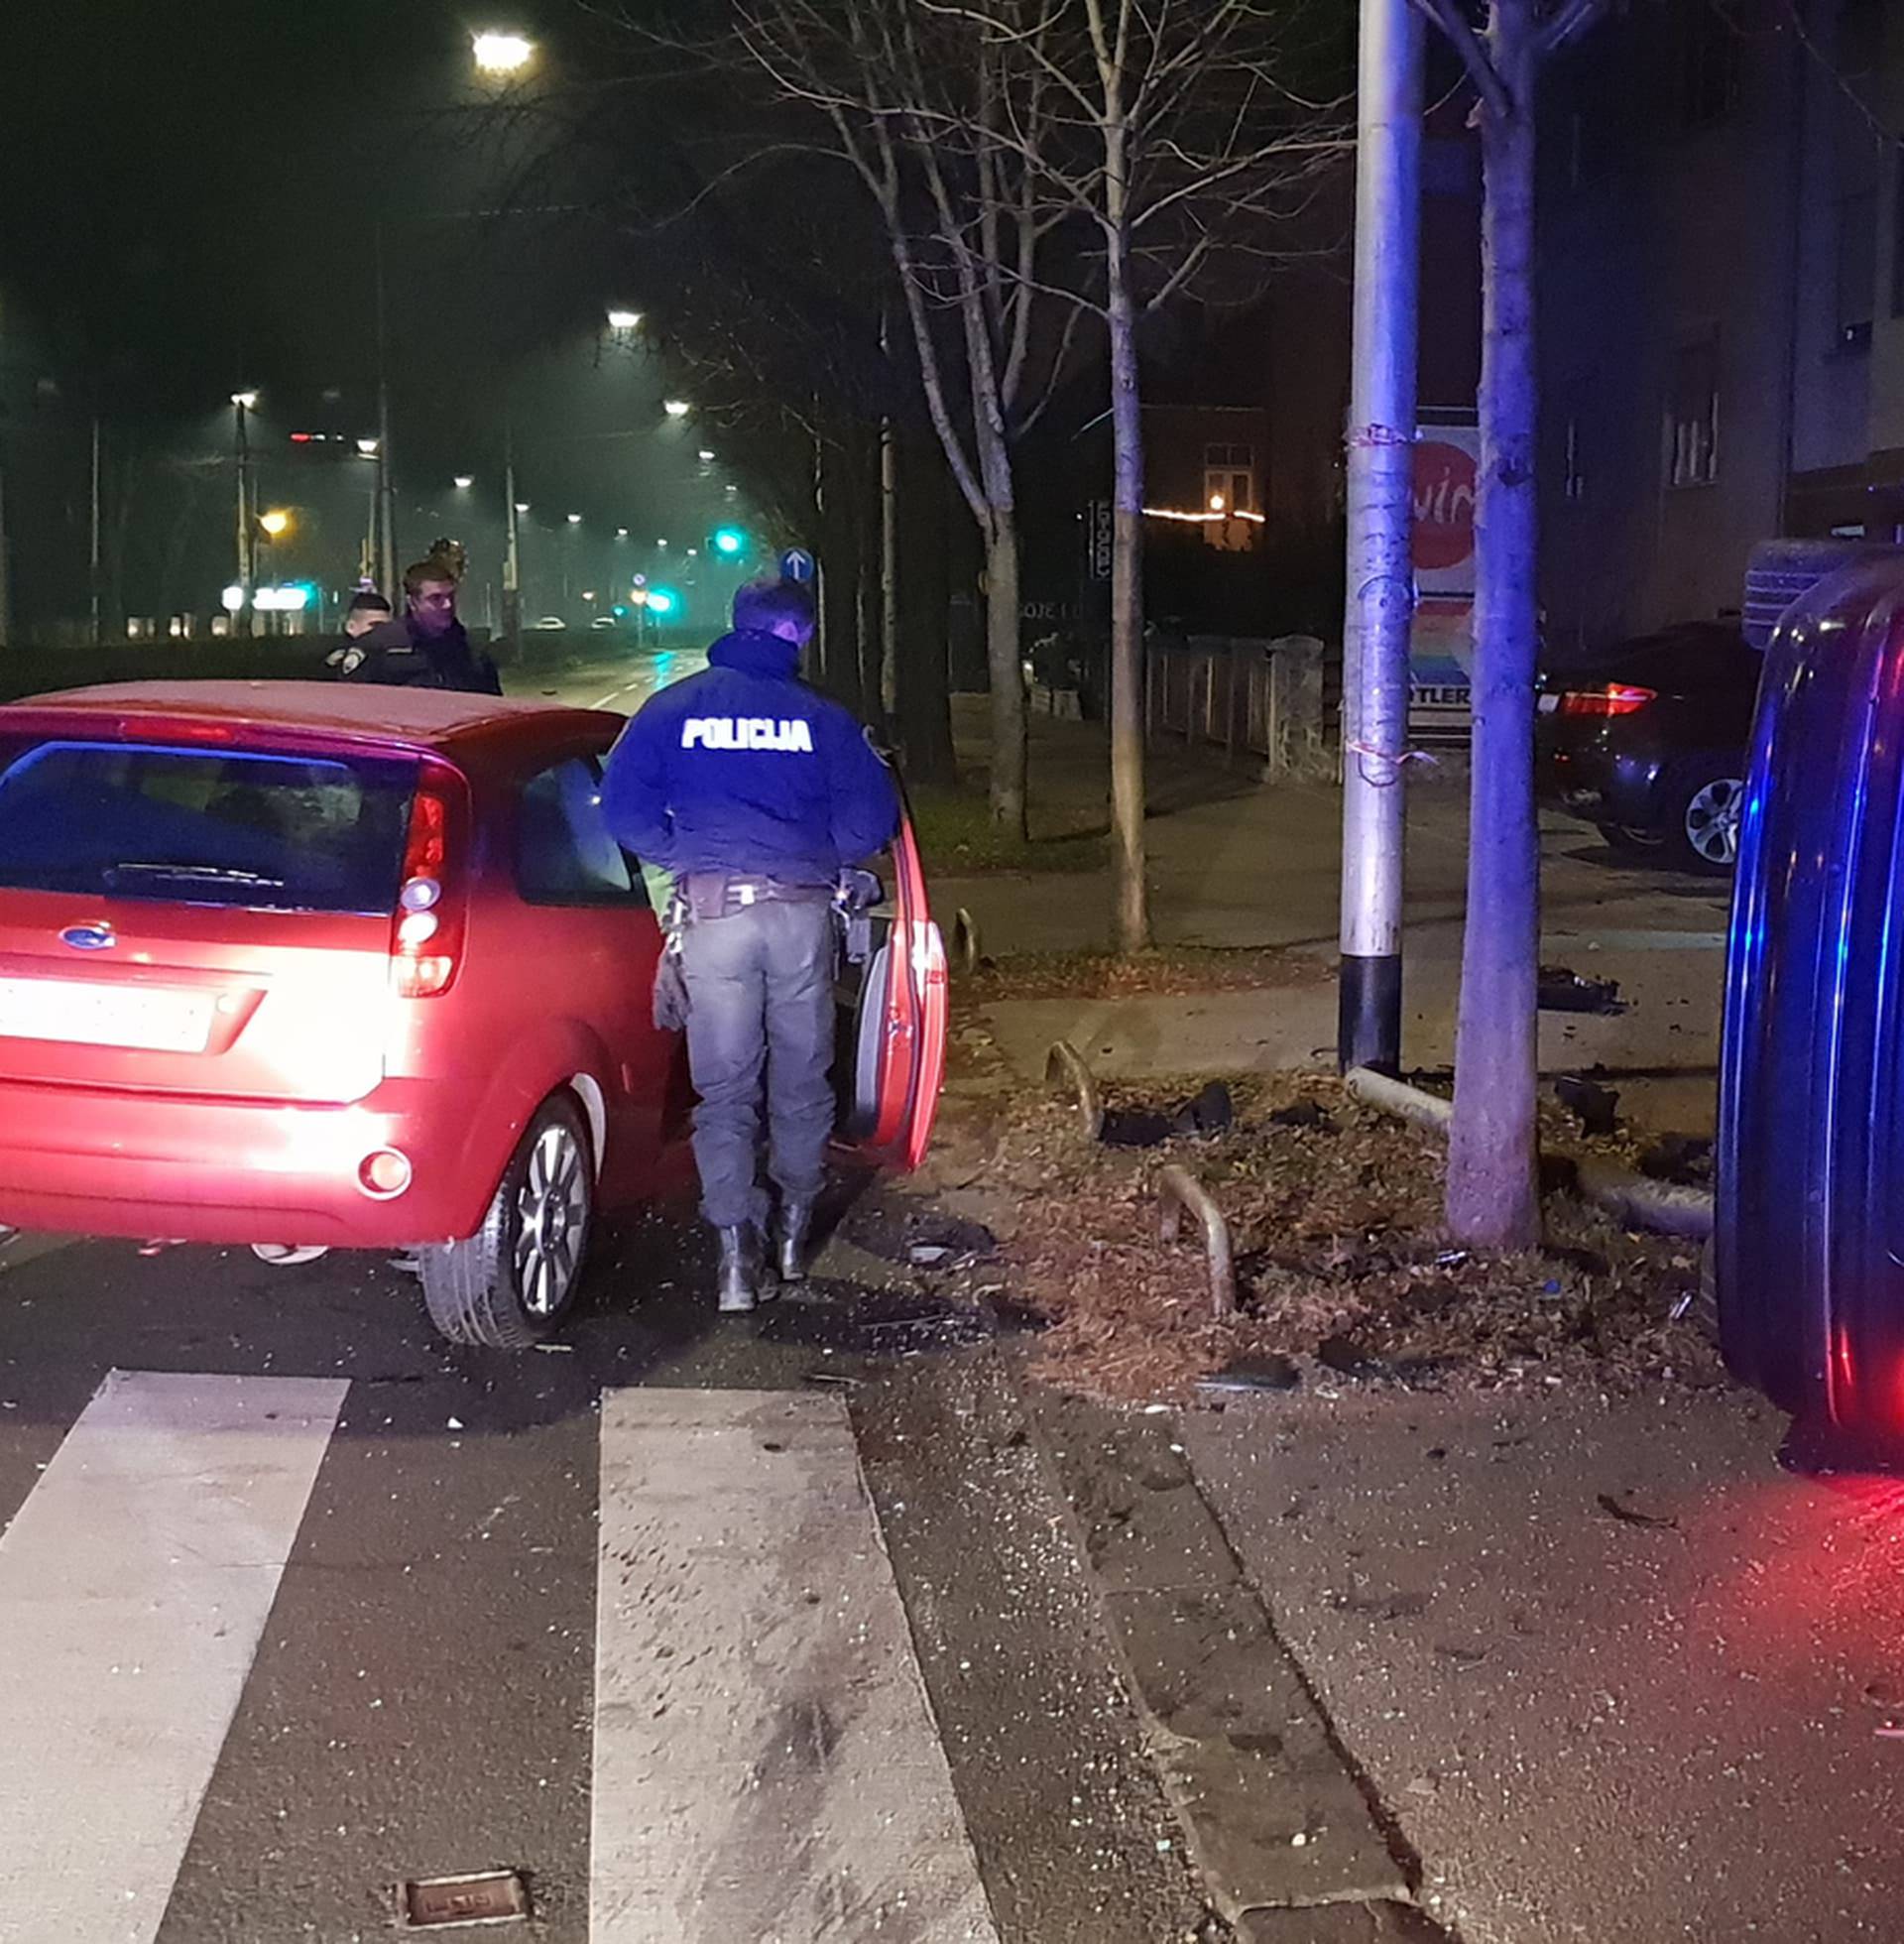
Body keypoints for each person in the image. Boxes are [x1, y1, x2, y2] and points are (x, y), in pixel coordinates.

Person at [600, 574, 899, 1312]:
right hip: (799, 918)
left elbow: (623, 809)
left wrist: (683, 852)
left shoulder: (674, 709)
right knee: (800, 1082)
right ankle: (795, 1234)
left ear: (737, 625)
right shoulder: (823, 720)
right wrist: (815, 855)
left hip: (715, 920)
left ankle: (736, 1256)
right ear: (799, 634)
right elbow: (873, 823)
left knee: (725, 1091)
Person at [336, 558, 502, 693]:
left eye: (450, 596)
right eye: (435, 598)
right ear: (412, 602)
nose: (447, 605)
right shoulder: (380, 645)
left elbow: (492, 707)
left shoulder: (471, 649)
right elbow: (351, 703)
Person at [324, 589, 393, 674]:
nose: (382, 631)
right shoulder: (335, 659)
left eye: (387, 627)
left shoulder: (391, 656)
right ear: (351, 627)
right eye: (375, 625)